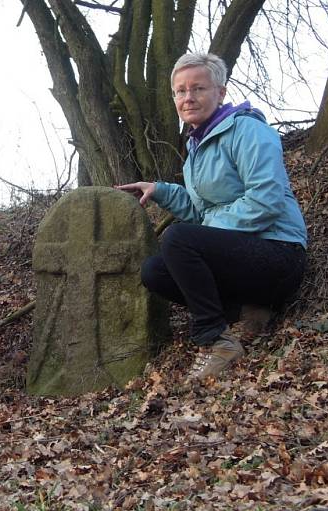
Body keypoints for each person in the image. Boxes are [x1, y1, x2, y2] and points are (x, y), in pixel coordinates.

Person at [116, 53, 307, 383]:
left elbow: (266, 199)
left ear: (220, 92)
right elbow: (200, 209)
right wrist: (159, 190)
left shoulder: (247, 130)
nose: (188, 97)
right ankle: (248, 312)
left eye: (198, 88)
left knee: (179, 239)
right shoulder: (197, 145)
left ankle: (216, 341)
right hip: (241, 260)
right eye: (180, 91)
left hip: (278, 254)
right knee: (154, 271)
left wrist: (205, 229)